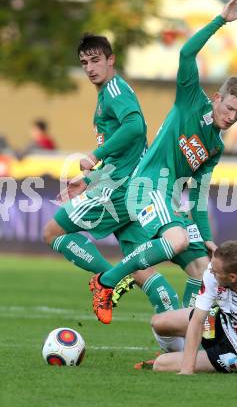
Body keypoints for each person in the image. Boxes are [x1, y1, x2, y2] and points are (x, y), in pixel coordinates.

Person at [90, 0, 237, 324]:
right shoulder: (191, 101)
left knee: (201, 268)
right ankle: (106, 280)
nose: (232, 117)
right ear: (216, 98)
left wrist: (207, 237)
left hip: (168, 198)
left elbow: (197, 194)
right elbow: (186, 53)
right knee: (177, 239)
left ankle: (181, 336)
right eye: (230, 108)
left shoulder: (216, 147)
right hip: (147, 184)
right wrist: (219, 21)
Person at [42, 33, 192, 327]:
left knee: (53, 233)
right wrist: (90, 179)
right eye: (84, 62)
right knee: (140, 266)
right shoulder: (110, 92)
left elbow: (135, 127)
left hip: (119, 188)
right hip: (132, 186)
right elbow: (128, 146)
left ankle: (107, 281)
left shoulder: (113, 89)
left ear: (111, 60)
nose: (89, 68)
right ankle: (173, 346)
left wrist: (94, 154)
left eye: (96, 60)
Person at [140, 241, 237, 379]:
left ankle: (185, 357)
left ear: (233, 278)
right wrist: (187, 369)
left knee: (161, 364)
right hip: (223, 321)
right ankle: (182, 354)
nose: (210, 272)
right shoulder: (214, 272)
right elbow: (197, 320)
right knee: (159, 322)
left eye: (215, 271)